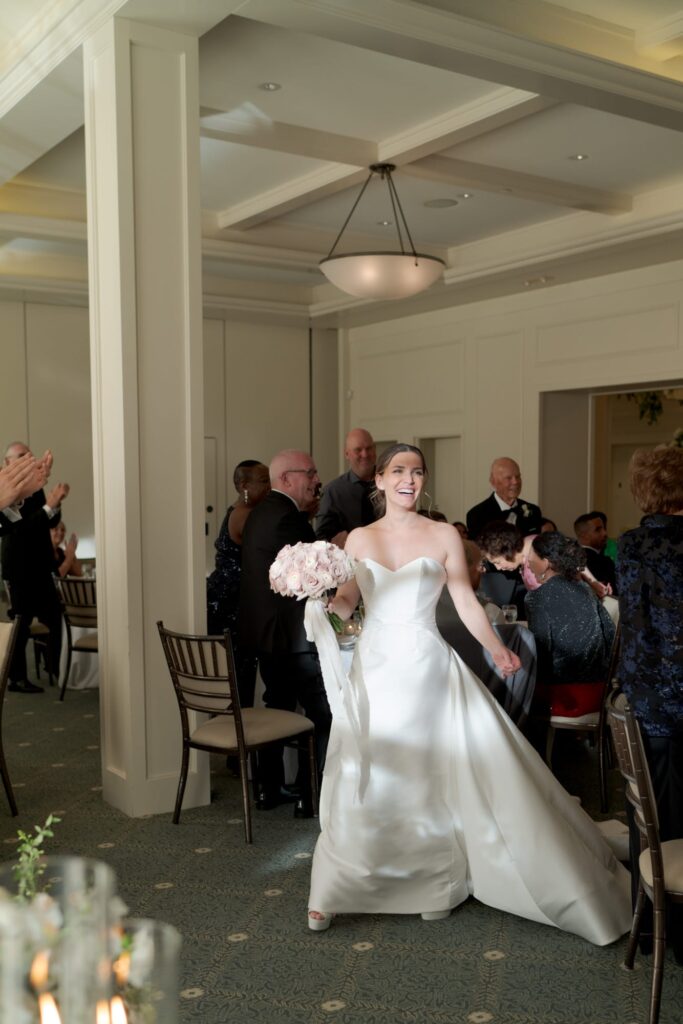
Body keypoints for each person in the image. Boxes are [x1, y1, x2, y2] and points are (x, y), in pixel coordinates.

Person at [306, 443, 631, 944]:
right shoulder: (357, 541)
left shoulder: (442, 536)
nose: (408, 479)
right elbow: (348, 605)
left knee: (427, 770)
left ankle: (429, 883)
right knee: (366, 767)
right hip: (375, 668)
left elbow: (463, 599)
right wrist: (318, 599)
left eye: (417, 471)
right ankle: (336, 884)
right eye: (398, 471)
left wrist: (496, 650)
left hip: (426, 666)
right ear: (381, 481)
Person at [616, 446, 683, 961]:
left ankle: (651, 924)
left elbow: (634, 625)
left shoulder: (632, 545)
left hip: (648, 697)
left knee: (653, 812)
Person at [239, 449, 331, 816]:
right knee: (319, 713)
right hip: (292, 636)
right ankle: (314, 796)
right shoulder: (288, 519)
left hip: (267, 634)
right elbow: (313, 577)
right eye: (309, 472)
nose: (315, 478)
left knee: (277, 704)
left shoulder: (261, 512)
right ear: (286, 479)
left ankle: (268, 788)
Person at [1, 442, 69, 694]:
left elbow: (48, 521)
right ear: (7, 464)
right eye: (21, 456)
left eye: (29, 455)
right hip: (19, 568)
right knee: (20, 623)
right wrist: (48, 505)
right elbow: (18, 529)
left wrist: (55, 504)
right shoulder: (6, 489)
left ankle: (56, 668)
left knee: (55, 615)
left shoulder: (35, 488)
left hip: (41, 568)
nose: (28, 459)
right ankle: (16, 678)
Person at [206, 460, 270, 708]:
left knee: (233, 673)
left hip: (224, 597)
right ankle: (241, 734)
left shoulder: (237, 510)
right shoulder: (247, 516)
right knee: (238, 672)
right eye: (263, 481)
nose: (269, 486)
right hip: (230, 603)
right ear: (243, 485)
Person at [524, 532, 615, 686]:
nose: (528, 564)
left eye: (531, 560)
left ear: (546, 563)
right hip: (599, 685)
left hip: (564, 690)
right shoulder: (584, 588)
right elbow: (610, 633)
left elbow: (540, 653)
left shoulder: (536, 597)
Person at [315, 428, 376, 546]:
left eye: (369, 448)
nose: (365, 454)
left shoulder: (392, 484)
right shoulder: (332, 492)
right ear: (347, 454)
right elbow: (321, 540)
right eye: (358, 450)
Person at [466, 457, 542, 539]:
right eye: (508, 478)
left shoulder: (533, 511)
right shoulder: (477, 515)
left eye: (518, 477)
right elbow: (478, 550)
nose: (515, 482)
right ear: (493, 482)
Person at [573, 512, 617, 594]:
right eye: (598, 530)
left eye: (604, 528)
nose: (604, 533)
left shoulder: (569, 558)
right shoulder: (604, 563)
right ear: (584, 535)